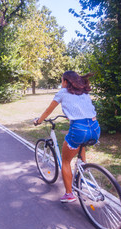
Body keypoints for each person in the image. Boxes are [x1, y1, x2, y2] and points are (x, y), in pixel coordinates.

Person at [34, 71, 100, 203]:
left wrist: (39, 121)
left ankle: (69, 194)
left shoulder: (62, 93)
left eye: (61, 80)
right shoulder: (84, 92)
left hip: (79, 129)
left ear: (65, 81)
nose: (61, 83)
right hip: (95, 128)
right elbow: (82, 109)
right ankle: (82, 170)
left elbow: (48, 111)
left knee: (65, 161)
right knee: (81, 144)